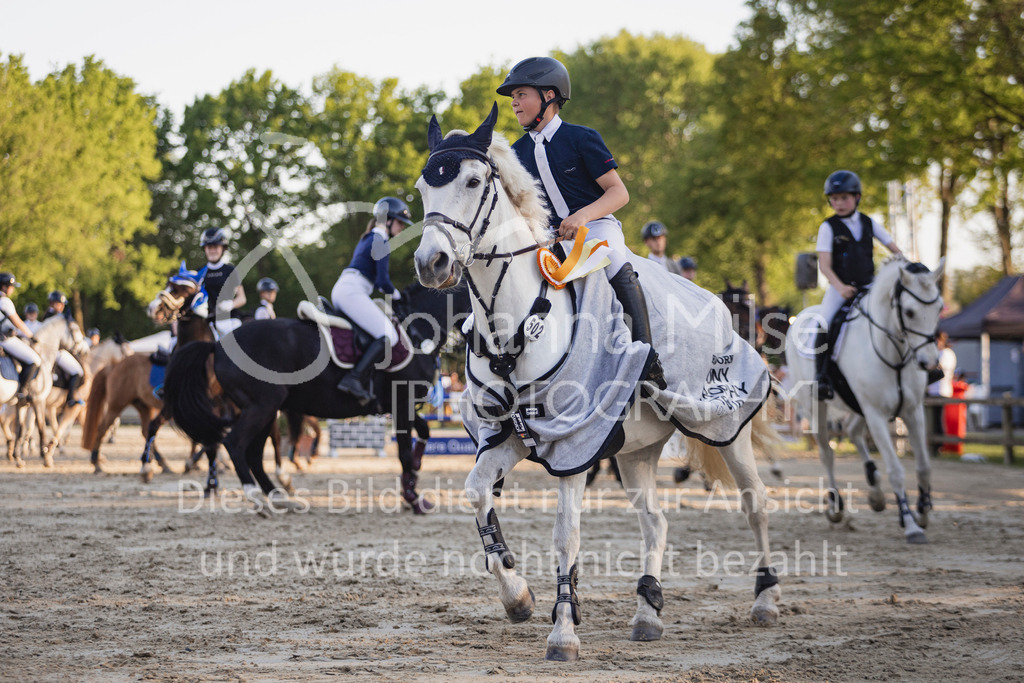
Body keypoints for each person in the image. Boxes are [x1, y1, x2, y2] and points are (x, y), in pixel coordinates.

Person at [497, 56, 665, 388]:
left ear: (549, 95)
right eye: (513, 97)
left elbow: (619, 193)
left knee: (615, 261)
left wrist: (583, 215)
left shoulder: (581, 138)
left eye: (521, 94)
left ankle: (646, 356)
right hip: (550, 237)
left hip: (596, 226)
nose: (514, 103)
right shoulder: (516, 153)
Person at [813, 170, 903, 400]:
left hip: (869, 287)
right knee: (823, 323)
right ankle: (821, 378)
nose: (839, 203)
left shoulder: (869, 222)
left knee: (901, 315)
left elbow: (894, 249)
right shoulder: (828, 227)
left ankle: (915, 367)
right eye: (834, 199)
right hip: (840, 289)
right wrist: (840, 287)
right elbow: (825, 266)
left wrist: (909, 266)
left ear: (857, 197)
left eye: (844, 198)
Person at [332, 197, 413, 404]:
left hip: (345, 289)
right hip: (352, 292)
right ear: (387, 220)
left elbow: (375, 281)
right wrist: (398, 296)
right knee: (389, 335)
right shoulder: (381, 240)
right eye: (400, 222)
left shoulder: (368, 237)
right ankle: (353, 378)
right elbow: (383, 281)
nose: (402, 228)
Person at [0, 273, 41, 404]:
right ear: (4, 287)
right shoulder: (5, 301)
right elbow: (18, 322)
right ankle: (22, 392)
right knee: (35, 359)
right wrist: (31, 336)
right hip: (4, 340)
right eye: (11, 286)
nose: (12, 289)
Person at [198, 227, 246, 337]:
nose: (212, 251)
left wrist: (231, 304)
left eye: (215, 247)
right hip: (207, 321)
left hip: (230, 320)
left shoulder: (230, 270)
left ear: (223, 248)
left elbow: (242, 298)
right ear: (205, 249)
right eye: (209, 247)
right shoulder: (199, 272)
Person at [42, 291, 86, 407]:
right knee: (77, 371)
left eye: (62, 304)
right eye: (59, 304)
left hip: (51, 351)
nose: (61, 306)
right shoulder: (55, 318)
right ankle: (70, 398)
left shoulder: (48, 316)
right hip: (55, 352)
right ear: (52, 303)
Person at [927, 331, 957, 447]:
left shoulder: (946, 353)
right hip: (932, 390)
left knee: (937, 419)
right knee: (932, 419)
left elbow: (939, 369)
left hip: (941, 390)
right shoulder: (937, 352)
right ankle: (933, 444)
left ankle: (938, 445)